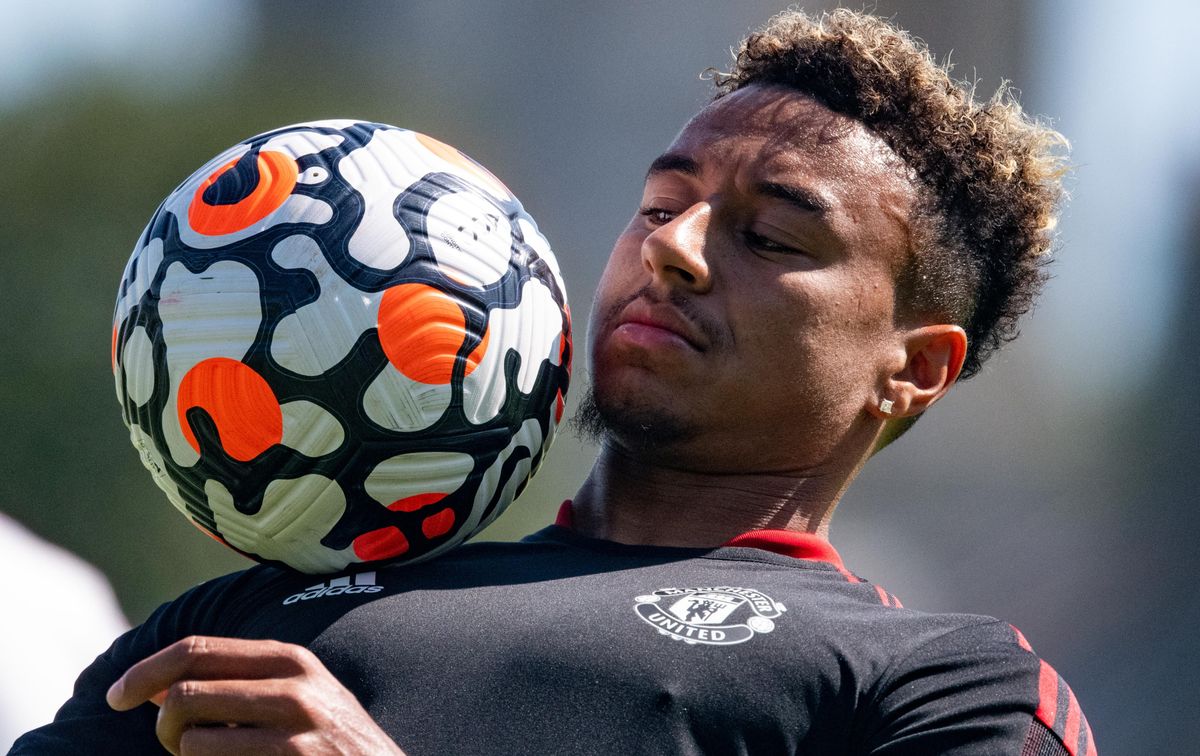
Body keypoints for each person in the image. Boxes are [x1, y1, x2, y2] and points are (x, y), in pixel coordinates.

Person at [12, 9, 1094, 755]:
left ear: (915, 367)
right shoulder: (258, 610)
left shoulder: (936, 683)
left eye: (770, 236)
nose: (672, 249)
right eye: (662, 205)